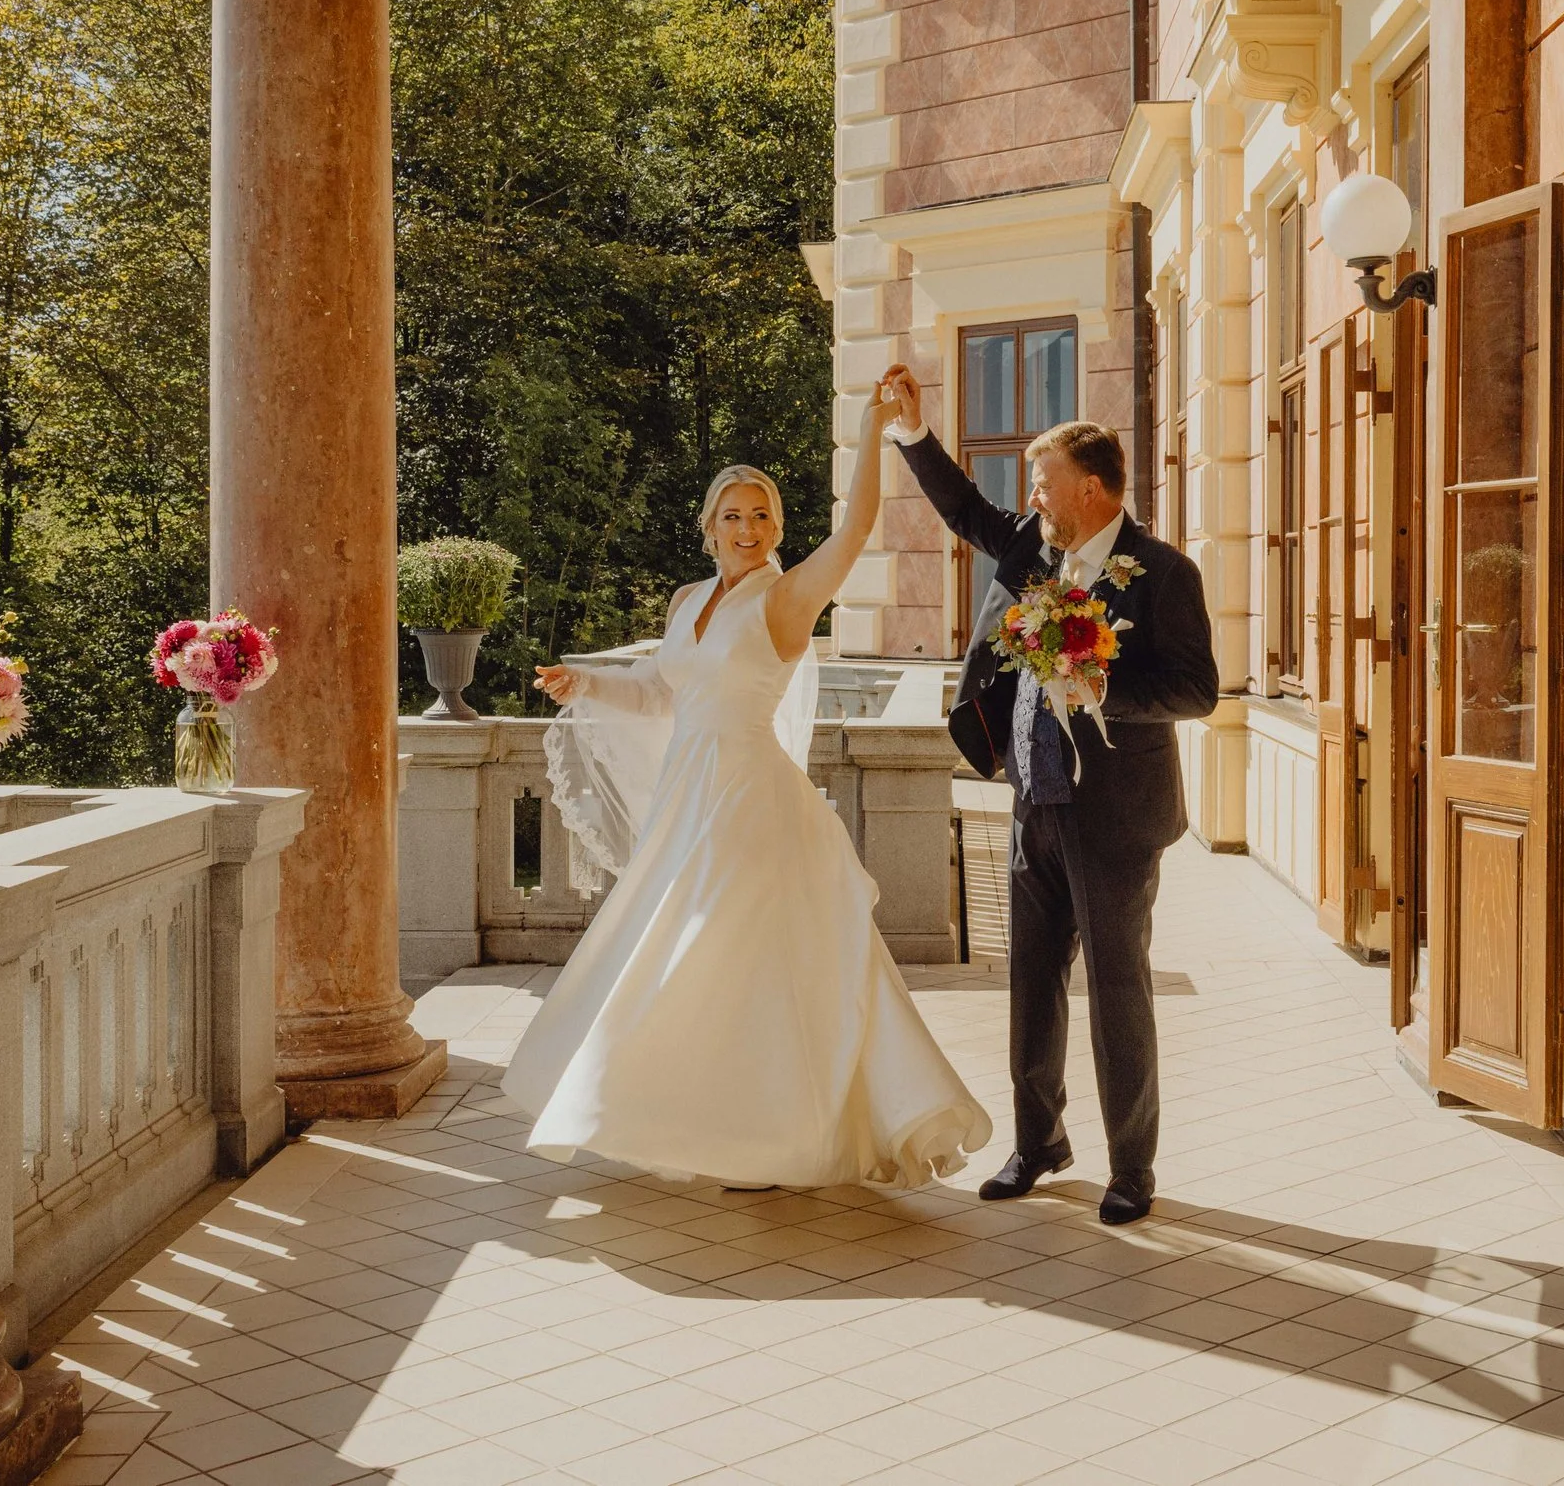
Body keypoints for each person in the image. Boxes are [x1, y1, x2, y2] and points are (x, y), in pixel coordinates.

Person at [504, 381, 992, 1189]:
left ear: (777, 528)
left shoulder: (788, 596)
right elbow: (666, 691)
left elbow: (859, 527)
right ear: (707, 527)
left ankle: (769, 1141)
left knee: (738, 962)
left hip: (751, 802)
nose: (748, 527)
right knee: (685, 961)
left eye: (762, 514)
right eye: (733, 514)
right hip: (685, 803)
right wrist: (585, 683)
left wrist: (874, 429)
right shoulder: (688, 600)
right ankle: (695, 1123)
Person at [883, 365, 1219, 1225]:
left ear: (1094, 489)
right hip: (1034, 797)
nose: (1032, 497)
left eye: (1045, 482)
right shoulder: (1037, 547)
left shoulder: (1163, 572)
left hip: (1116, 816)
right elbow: (967, 515)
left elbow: (1197, 690)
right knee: (1031, 981)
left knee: (1116, 988)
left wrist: (1103, 684)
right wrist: (913, 430)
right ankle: (1039, 1143)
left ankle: (1131, 1168)